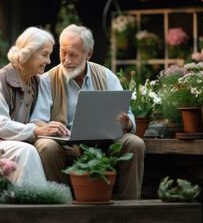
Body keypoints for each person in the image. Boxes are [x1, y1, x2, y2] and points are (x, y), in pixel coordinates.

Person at [30, 24, 146, 199]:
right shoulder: (47, 80)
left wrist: (127, 122)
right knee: (46, 146)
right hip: (63, 145)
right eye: (63, 52)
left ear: (89, 54)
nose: (67, 60)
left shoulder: (107, 76)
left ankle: (130, 207)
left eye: (73, 55)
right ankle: (62, 203)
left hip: (104, 144)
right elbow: (36, 121)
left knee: (135, 143)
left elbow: (130, 119)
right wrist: (47, 127)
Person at [0, 26, 68, 185]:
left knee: (36, 149)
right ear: (28, 53)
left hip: (7, 143)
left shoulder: (36, 82)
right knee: (27, 151)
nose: (49, 61)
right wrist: (37, 130)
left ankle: (34, 199)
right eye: (44, 55)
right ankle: (36, 199)